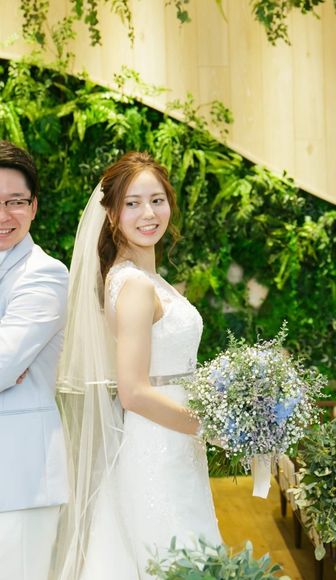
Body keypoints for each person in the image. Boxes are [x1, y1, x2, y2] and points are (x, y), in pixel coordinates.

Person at [55, 152, 221, 579]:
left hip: (175, 444)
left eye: (156, 200)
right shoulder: (134, 287)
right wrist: (213, 425)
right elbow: (132, 391)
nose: (148, 213)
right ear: (112, 213)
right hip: (157, 448)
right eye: (132, 203)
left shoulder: (144, 279)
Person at [0, 141, 68, 580]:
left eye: (15, 202)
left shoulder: (44, 274)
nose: (4, 215)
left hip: (19, 478)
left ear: (34, 206)